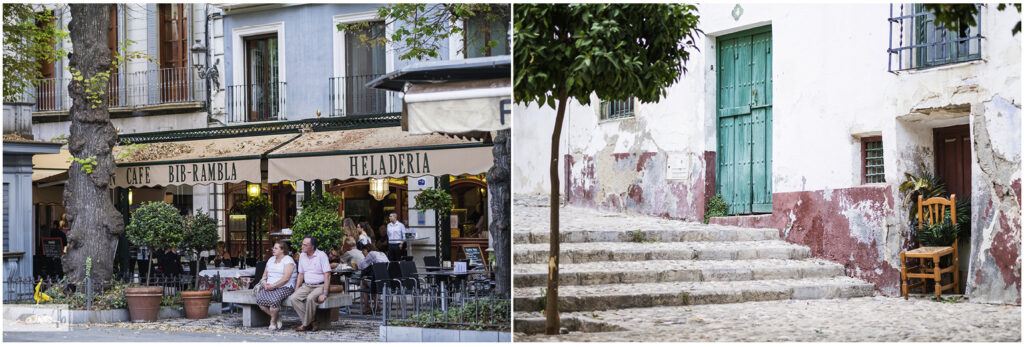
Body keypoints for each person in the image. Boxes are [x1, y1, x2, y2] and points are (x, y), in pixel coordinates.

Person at [288, 236, 331, 332]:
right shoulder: (302, 255)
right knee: (294, 298)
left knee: (310, 298)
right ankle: (313, 321)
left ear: (312, 247)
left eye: (305, 245)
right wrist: (296, 290)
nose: (302, 246)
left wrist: (324, 293)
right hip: (306, 285)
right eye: (302, 244)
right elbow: (301, 274)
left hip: (320, 285)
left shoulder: (321, 255)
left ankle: (305, 324)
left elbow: (327, 274)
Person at [256, 241, 296, 331]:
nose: (273, 250)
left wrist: (273, 286)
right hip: (269, 286)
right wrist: (264, 283)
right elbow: (264, 275)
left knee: (274, 301)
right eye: (273, 248)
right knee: (259, 300)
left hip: (285, 286)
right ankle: (277, 317)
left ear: (282, 250)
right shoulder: (271, 259)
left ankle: (273, 322)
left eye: (276, 248)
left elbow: (286, 278)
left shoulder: (288, 260)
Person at [357, 243, 389, 314]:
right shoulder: (382, 253)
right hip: (386, 281)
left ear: (365, 250)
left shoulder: (371, 254)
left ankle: (367, 307)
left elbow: (362, 266)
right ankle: (377, 305)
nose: (364, 255)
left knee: (363, 282)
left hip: (377, 282)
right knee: (372, 281)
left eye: (363, 253)